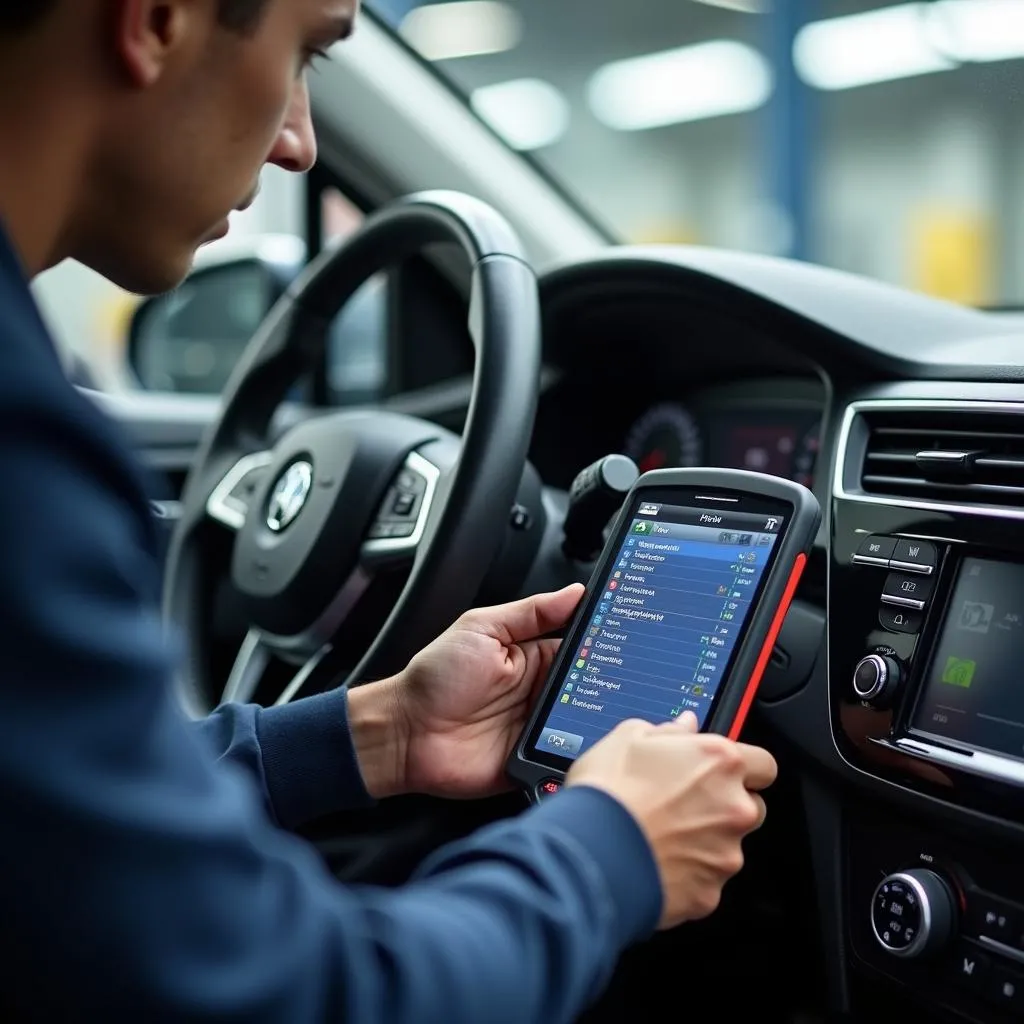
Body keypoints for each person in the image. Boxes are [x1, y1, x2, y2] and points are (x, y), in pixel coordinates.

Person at [0, 1, 778, 1021]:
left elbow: (61, 831)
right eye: (306, 54)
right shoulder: (25, 447)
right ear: (156, 20)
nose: (298, 142)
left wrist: (379, 731)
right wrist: (613, 847)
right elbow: (301, 996)